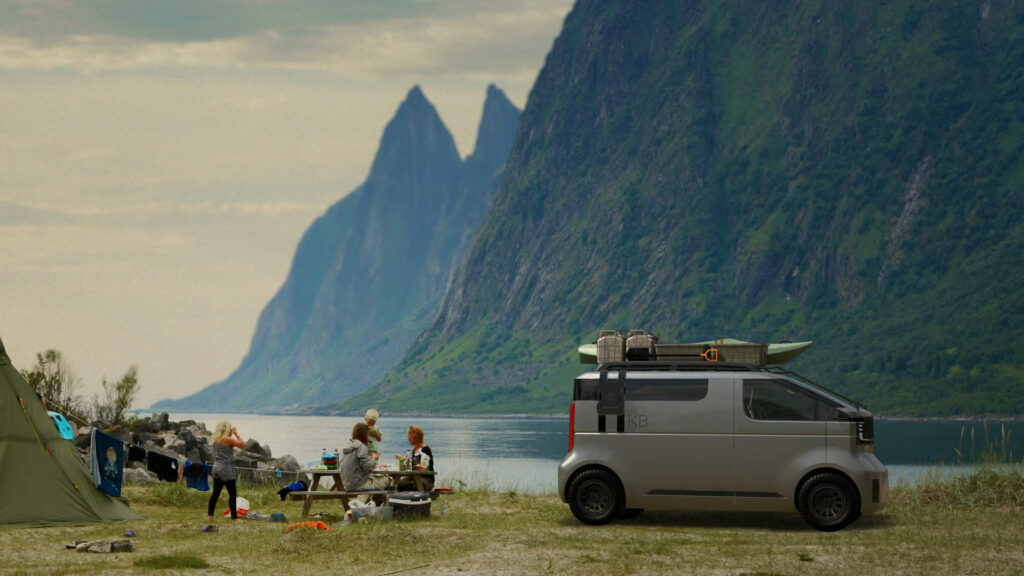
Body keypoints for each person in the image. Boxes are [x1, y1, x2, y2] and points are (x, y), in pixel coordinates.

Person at [204, 420, 245, 531]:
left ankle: (210, 516)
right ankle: (234, 518)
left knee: (215, 493)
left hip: (216, 467)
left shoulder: (216, 439)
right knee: (232, 493)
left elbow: (226, 443)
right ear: (227, 428)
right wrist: (236, 434)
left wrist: (230, 434)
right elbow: (242, 444)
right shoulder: (228, 439)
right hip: (226, 468)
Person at [340, 422, 389, 502]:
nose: (368, 438)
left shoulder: (347, 445)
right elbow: (368, 466)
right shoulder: (361, 446)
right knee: (388, 481)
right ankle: (385, 507)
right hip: (359, 484)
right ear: (364, 434)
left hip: (346, 483)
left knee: (376, 481)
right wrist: (374, 458)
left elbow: (355, 461)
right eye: (368, 435)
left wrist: (368, 458)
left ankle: (369, 505)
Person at [394, 425, 434, 492]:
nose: (408, 439)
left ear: (415, 436)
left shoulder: (425, 449)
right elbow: (412, 464)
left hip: (426, 480)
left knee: (406, 486)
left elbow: (424, 468)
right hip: (413, 478)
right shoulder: (415, 449)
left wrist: (405, 459)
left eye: (409, 436)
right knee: (396, 485)